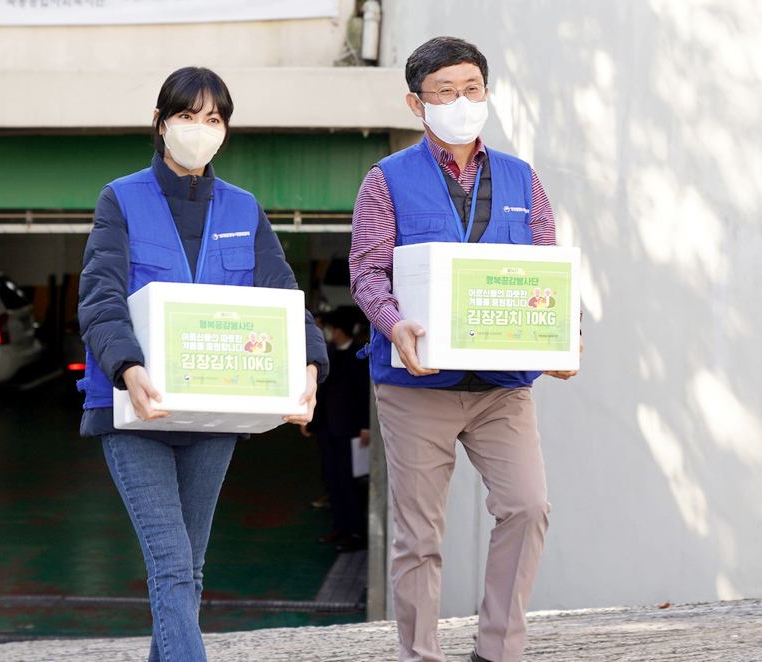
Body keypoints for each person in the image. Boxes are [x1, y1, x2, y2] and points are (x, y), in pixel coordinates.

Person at [77, 66, 328, 662]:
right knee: (170, 565)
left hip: (214, 414)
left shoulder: (244, 209)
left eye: (213, 119)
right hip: (136, 410)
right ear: (161, 124)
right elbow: (100, 297)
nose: (200, 129)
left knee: (189, 567)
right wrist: (129, 369)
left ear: (225, 131)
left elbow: (284, 298)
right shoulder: (123, 198)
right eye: (187, 116)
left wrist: (311, 368)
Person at [349, 37, 583, 662]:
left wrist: (568, 334)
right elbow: (367, 271)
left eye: (471, 88)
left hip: (503, 385)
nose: (460, 101)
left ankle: (498, 649)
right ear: (416, 103)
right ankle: (419, 654)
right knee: (420, 535)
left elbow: (548, 272)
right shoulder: (386, 180)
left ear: (486, 92)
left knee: (528, 507)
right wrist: (394, 323)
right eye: (444, 92)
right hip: (416, 385)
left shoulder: (521, 178)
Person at [303, 307, 371, 552]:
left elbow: (366, 394)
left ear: (338, 330)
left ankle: (356, 532)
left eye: (329, 328)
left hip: (351, 430)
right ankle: (340, 527)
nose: (327, 332)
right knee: (332, 480)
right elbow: (320, 391)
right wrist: (310, 422)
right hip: (326, 428)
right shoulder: (328, 353)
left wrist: (366, 427)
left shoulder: (359, 355)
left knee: (349, 482)